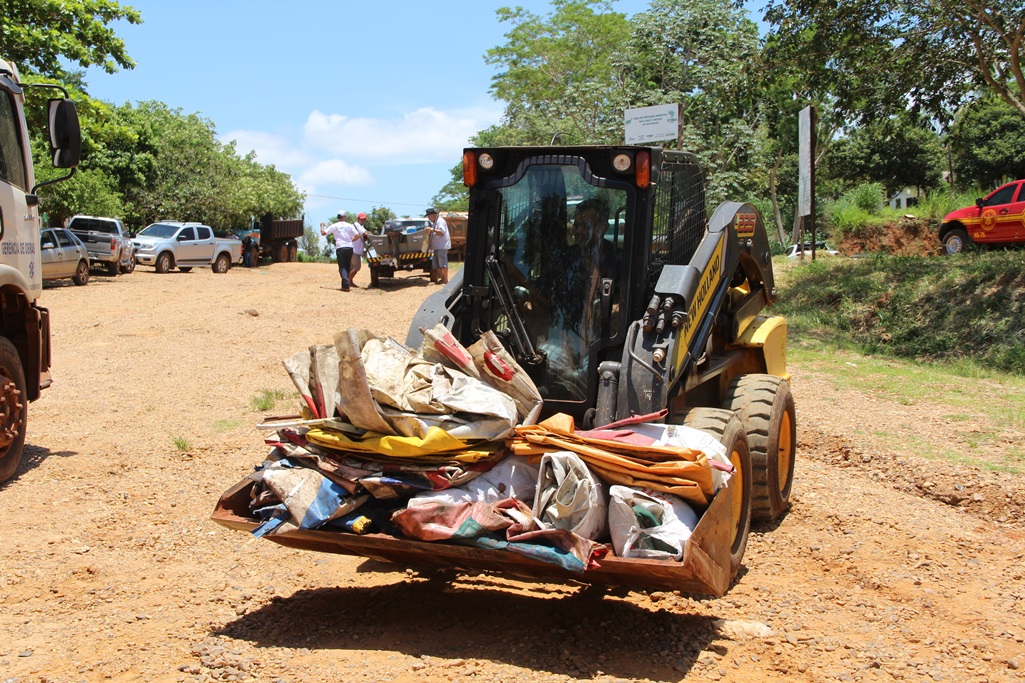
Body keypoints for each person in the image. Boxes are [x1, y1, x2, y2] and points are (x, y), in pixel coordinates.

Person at [320, 211, 363, 291]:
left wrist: (322, 226)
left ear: (338, 217)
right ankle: (345, 285)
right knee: (347, 266)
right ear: (344, 217)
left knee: (342, 267)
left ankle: (346, 285)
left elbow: (323, 233)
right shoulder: (349, 225)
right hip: (349, 247)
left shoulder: (334, 226)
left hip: (340, 247)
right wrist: (352, 240)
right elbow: (358, 235)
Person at [425, 208, 451, 284]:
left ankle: (445, 279)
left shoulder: (440, 221)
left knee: (443, 263)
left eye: (429, 217)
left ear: (433, 215)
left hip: (441, 246)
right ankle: (443, 278)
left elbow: (442, 232)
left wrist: (431, 229)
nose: (429, 218)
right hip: (436, 247)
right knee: (436, 265)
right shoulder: (435, 223)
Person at [350, 212, 369, 287]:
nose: (363, 221)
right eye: (362, 219)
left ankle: (350, 282)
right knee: (357, 267)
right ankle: (347, 281)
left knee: (352, 267)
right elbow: (365, 233)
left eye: (364, 219)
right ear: (358, 219)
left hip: (354, 249)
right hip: (355, 250)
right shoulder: (357, 225)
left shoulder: (360, 226)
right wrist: (369, 233)